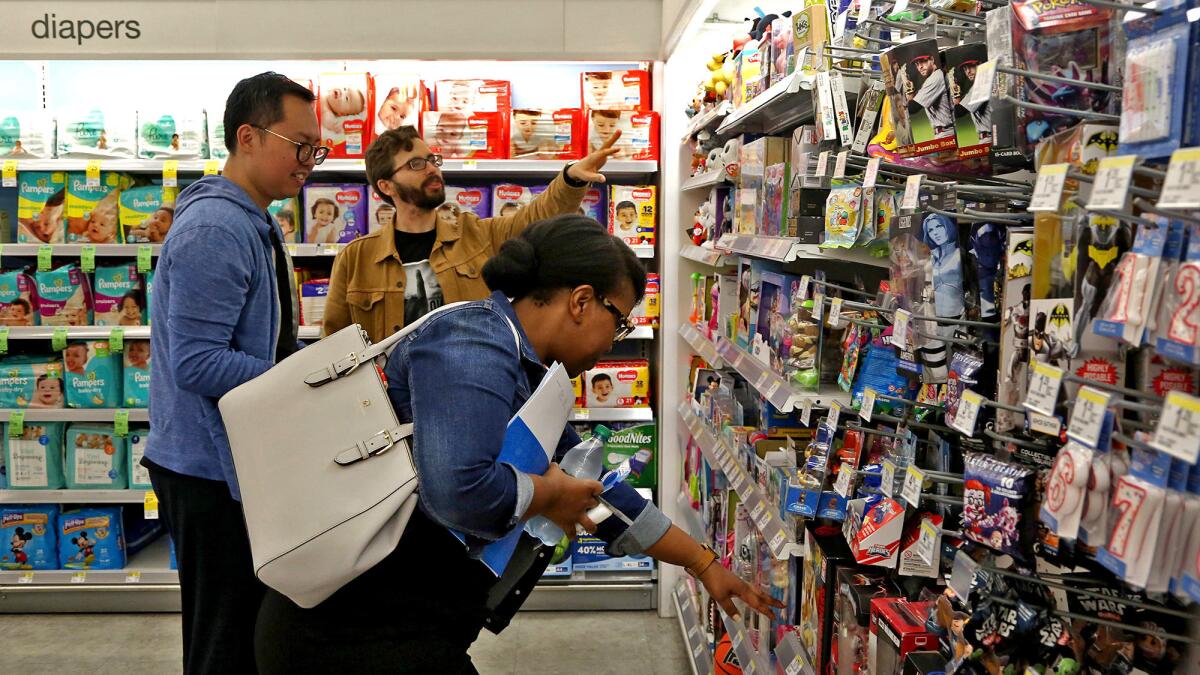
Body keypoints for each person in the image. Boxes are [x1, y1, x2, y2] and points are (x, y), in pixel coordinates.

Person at [255, 216, 781, 674]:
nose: (609, 346)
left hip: (406, 619)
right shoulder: (473, 342)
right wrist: (548, 495)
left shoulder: (524, 370)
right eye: (617, 324)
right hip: (349, 632)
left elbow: (597, 491)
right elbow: (459, 491)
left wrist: (702, 563)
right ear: (580, 301)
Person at [141, 71, 322, 674]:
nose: (310, 162)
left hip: (235, 457)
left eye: (315, 148)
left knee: (248, 630)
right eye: (300, 145)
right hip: (206, 470)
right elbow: (197, 361)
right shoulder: (216, 229)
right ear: (248, 136)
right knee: (224, 639)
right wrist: (302, 379)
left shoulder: (254, 217)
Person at [323, 125, 622, 342]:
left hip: (467, 397)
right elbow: (334, 346)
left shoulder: (477, 235)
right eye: (416, 164)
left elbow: (535, 218)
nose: (432, 169)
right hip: (388, 411)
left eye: (432, 160)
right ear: (386, 186)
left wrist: (570, 180)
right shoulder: (356, 258)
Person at [908, 55, 955, 138]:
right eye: (917, 64)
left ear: (932, 60)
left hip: (947, 133)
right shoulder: (935, 77)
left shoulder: (936, 77)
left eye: (923, 61)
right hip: (946, 132)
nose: (920, 67)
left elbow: (913, 108)